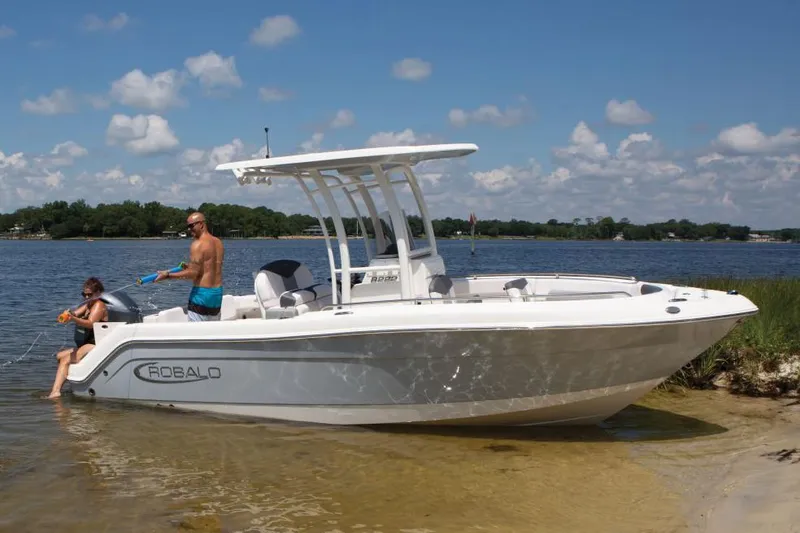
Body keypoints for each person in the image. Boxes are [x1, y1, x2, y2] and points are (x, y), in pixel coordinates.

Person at [155, 212, 224, 321]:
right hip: (217, 295)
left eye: (191, 225)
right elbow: (208, 268)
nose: (189, 229)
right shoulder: (218, 242)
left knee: (196, 335)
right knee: (211, 333)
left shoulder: (197, 244)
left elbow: (193, 274)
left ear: (201, 224)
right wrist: (191, 267)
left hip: (202, 295)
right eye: (188, 226)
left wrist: (167, 275)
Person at [46, 277, 108, 399]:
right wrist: (67, 315)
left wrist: (73, 319)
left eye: (89, 295)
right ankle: (77, 380)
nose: (86, 297)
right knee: (60, 356)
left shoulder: (99, 305)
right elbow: (75, 313)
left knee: (65, 360)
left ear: (98, 293)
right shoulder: (89, 304)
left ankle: (55, 392)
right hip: (86, 343)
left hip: (95, 343)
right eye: (84, 294)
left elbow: (91, 323)